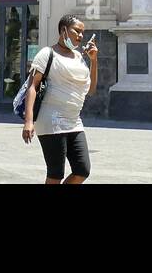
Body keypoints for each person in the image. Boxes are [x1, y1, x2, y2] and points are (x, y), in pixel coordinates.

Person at [22, 14, 97, 184]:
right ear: (63, 30)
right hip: (52, 121)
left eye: (82, 33)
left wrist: (93, 61)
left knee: (82, 170)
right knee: (55, 174)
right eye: (76, 31)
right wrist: (29, 121)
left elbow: (91, 90)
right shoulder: (47, 53)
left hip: (74, 121)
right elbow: (32, 87)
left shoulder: (78, 57)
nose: (80, 36)